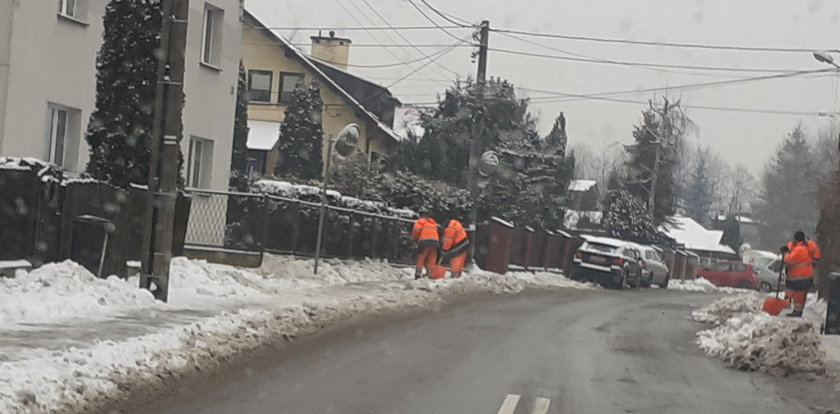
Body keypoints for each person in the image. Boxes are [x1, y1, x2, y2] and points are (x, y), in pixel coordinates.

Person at [781, 231, 820, 317]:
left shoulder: (800, 250)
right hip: (802, 276)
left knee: (799, 295)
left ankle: (797, 311)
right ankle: (796, 310)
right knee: (799, 294)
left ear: (796, 239)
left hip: (800, 277)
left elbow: (789, 260)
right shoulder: (803, 247)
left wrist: (786, 253)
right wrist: (788, 248)